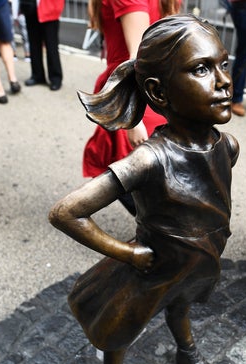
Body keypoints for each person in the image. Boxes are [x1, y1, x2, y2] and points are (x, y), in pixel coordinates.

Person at [49, 15, 237, 364]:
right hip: (151, 267)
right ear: (157, 91)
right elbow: (66, 212)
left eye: (224, 64)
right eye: (202, 69)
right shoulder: (150, 158)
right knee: (124, 328)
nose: (224, 80)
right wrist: (129, 252)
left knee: (182, 303)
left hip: (197, 261)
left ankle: (187, 353)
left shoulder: (228, 146)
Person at [81, 0, 180, 215]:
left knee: (132, 173)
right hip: (136, 93)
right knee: (131, 172)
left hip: (140, 93)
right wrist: (133, 119)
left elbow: (140, 57)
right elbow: (140, 58)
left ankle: (161, 236)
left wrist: (134, 118)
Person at [19, 0, 64, 90]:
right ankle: (37, 75)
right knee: (33, 44)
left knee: (51, 46)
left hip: (49, 8)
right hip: (30, 7)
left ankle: (55, 77)